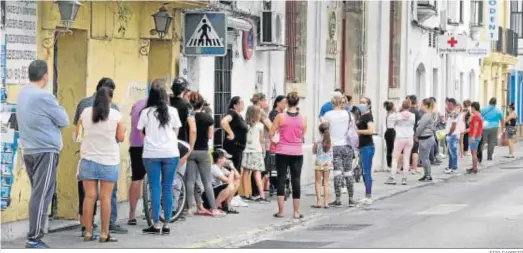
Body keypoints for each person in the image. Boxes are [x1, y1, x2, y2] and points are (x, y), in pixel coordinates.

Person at [17, 60, 69, 248]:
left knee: (37, 193)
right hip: (45, 151)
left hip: (29, 149)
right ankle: (34, 237)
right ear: (45, 76)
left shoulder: (22, 93)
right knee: (42, 194)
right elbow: (64, 120)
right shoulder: (44, 97)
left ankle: (35, 235)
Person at [73, 78, 127, 235]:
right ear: (110, 97)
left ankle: (88, 232)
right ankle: (105, 233)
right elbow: (121, 137)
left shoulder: (85, 112)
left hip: (88, 159)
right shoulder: (116, 114)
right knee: (105, 197)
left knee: (89, 197)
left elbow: (77, 135)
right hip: (108, 161)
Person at [137, 79, 181, 234]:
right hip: (170, 153)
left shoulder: (146, 112)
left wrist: (148, 142)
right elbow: (176, 131)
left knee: (154, 187)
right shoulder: (173, 111)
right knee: (167, 188)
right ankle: (167, 224)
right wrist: (171, 142)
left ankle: (155, 224)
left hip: (151, 154)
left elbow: (140, 131)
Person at [186, 92, 226, 217]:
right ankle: (214, 209)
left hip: (191, 151)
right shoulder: (208, 118)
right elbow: (210, 135)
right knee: (207, 181)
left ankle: (190, 208)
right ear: (202, 104)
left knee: (190, 181)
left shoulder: (189, 117)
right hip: (203, 152)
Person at [270, 92, 307, 218]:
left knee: (281, 179)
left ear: (286, 103)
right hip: (297, 151)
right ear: (297, 103)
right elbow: (303, 134)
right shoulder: (303, 118)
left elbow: (271, 132)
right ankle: (296, 212)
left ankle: (281, 211)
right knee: (296, 179)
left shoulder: (280, 117)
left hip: (282, 150)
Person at [322, 95, 356, 207]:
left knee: (337, 173)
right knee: (348, 173)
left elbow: (323, 129)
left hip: (334, 146)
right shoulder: (349, 115)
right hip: (347, 146)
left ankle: (338, 199)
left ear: (332, 103)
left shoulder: (328, 115)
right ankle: (351, 199)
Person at [220, 97, 248, 197]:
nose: (243, 105)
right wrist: (231, 133)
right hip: (233, 147)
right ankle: (231, 196)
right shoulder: (232, 113)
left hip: (238, 148)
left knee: (236, 170)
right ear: (235, 105)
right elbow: (223, 122)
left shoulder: (238, 115)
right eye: (241, 103)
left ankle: (234, 195)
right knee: (233, 170)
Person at [127, 97, 147, 225]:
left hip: (135, 145)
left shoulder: (137, 103)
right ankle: (151, 211)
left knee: (136, 179)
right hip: (152, 146)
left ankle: (132, 214)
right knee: (156, 180)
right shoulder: (159, 105)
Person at [385, 100, 415, 185]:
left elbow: (391, 124)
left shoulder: (397, 115)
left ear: (402, 106)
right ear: (409, 106)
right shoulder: (413, 115)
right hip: (409, 138)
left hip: (400, 137)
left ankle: (392, 177)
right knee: (406, 158)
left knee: (395, 158)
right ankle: (404, 178)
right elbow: (413, 123)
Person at [242, 105, 268, 202]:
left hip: (247, 150)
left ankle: (245, 194)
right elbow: (261, 140)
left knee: (245, 172)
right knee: (257, 173)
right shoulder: (260, 126)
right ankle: (262, 195)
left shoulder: (246, 125)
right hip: (257, 150)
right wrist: (264, 150)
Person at [249, 93, 271, 199]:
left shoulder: (252, 109)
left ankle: (255, 192)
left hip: (254, 143)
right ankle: (257, 192)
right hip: (262, 142)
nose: (266, 102)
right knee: (260, 168)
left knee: (255, 169)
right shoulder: (260, 111)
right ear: (260, 101)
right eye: (265, 100)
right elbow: (270, 126)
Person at [356, 97, 375, 204]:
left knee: (366, 171)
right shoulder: (361, 115)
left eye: (364, 102)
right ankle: (367, 195)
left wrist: (358, 131)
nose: (361, 104)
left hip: (368, 146)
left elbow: (371, 130)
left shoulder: (368, 116)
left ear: (368, 105)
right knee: (364, 172)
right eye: (360, 102)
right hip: (362, 146)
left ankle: (369, 196)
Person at [312, 122, 333, 208]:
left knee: (318, 182)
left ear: (320, 131)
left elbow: (314, 151)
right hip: (327, 163)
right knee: (326, 182)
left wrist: (315, 146)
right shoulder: (330, 140)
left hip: (319, 162)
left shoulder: (317, 140)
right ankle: (326, 202)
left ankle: (319, 202)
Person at [416, 98, 436, 181]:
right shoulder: (429, 115)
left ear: (426, 106)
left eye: (422, 105)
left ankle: (428, 175)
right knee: (424, 157)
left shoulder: (427, 115)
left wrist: (416, 135)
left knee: (424, 158)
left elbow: (420, 127)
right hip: (426, 137)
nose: (421, 106)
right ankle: (426, 174)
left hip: (426, 138)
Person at [407, 95, 423, 173]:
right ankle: (415, 167)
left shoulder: (406, 111)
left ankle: (406, 166)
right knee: (415, 151)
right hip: (414, 133)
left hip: (406, 133)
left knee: (406, 151)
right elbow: (419, 124)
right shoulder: (417, 112)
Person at [467, 102, 483, 174]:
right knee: (473, 152)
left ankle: (475, 169)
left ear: (473, 107)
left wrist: (473, 136)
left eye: (471, 108)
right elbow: (469, 123)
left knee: (474, 153)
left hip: (474, 136)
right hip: (476, 135)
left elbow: (476, 127)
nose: (471, 109)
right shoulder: (476, 115)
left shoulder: (476, 116)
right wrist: (470, 118)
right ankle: (474, 167)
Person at [444, 98, 460, 174]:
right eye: (447, 104)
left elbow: (453, 125)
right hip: (451, 134)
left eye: (449, 104)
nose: (448, 106)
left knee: (453, 151)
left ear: (453, 105)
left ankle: (453, 167)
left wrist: (449, 133)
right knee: (450, 152)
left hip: (452, 135)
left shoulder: (455, 113)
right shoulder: (453, 112)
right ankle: (450, 166)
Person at [383, 101, 396, 172]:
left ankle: (389, 164)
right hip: (391, 132)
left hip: (388, 132)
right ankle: (389, 165)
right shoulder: (393, 115)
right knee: (390, 149)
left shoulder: (389, 114)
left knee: (389, 149)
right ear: (392, 108)